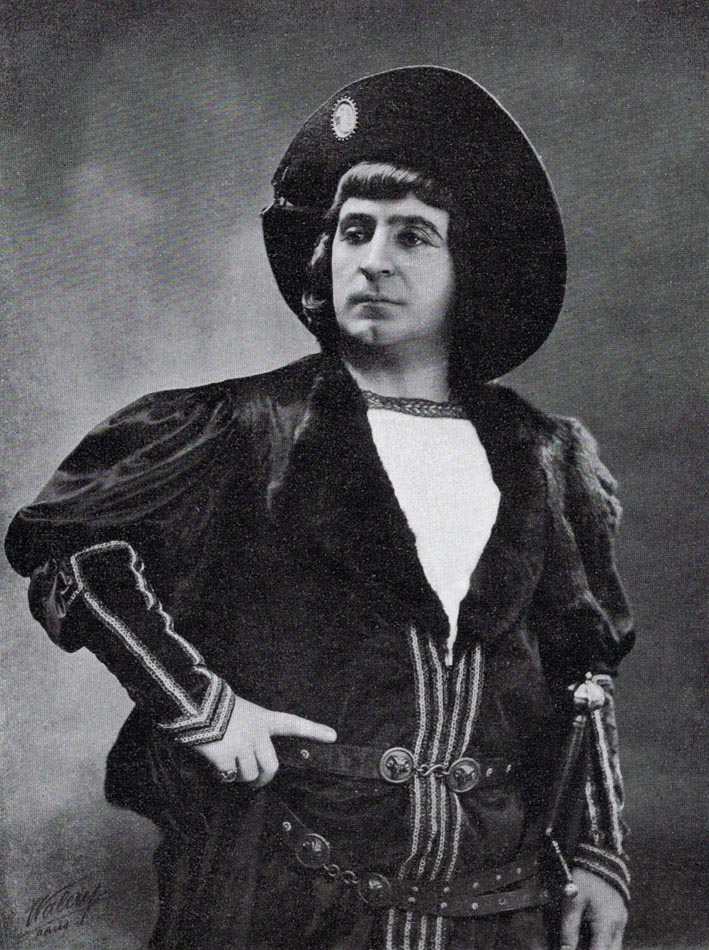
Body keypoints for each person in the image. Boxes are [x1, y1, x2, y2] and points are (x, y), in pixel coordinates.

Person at [5, 67, 635, 950]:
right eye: (353, 230)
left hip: (495, 911)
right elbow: (72, 562)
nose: (372, 258)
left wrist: (598, 855)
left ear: (469, 269)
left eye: (412, 236)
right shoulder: (233, 428)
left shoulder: (543, 455)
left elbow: (580, 674)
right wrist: (202, 707)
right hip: (278, 896)